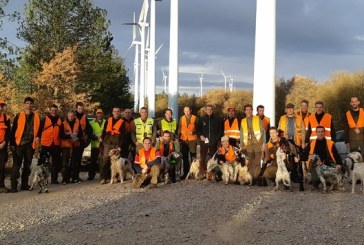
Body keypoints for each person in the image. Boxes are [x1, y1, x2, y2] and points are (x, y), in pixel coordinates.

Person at [9, 97, 41, 192]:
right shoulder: (19, 116)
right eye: (27, 103)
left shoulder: (36, 117)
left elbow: (39, 129)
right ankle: (13, 186)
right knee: (16, 165)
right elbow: (13, 130)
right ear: (24, 104)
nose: (29, 105)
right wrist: (12, 144)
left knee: (27, 165)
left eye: (31, 103)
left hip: (30, 145)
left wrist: (38, 137)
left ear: (32, 105)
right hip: (19, 144)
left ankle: (24, 184)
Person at [240, 104, 266, 185]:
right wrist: (241, 145)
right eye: (247, 109)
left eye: (250, 109)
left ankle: (257, 178)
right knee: (250, 162)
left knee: (257, 162)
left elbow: (263, 131)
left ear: (252, 110)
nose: (249, 111)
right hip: (248, 144)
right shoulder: (243, 121)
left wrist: (264, 143)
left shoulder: (257, 118)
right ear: (245, 111)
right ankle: (252, 179)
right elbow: (241, 134)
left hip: (257, 143)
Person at [99, 106, 126, 184]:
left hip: (116, 143)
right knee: (105, 159)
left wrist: (119, 146)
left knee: (116, 161)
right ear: (112, 112)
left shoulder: (122, 122)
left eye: (118, 111)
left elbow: (122, 135)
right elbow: (104, 130)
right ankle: (103, 178)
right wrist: (101, 137)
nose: (116, 113)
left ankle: (115, 177)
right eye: (115, 111)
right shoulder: (108, 120)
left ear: (120, 112)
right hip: (107, 142)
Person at [197, 105, 223, 179]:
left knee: (214, 159)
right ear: (205, 110)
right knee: (202, 158)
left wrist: (217, 138)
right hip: (203, 142)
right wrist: (201, 136)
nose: (209, 110)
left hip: (213, 142)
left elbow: (220, 129)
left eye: (210, 109)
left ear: (212, 110)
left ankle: (214, 174)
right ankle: (202, 173)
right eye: (208, 109)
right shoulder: (201, 119)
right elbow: (198, 129)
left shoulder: (217, 119)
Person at [39, 104, 62, 184]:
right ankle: (42, 180)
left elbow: (62, 133)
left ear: (57, 111)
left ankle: (54, 180)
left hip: (56, 144)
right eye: (52, 110)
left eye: (55, 110)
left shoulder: (60, 120)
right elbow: (38, 131)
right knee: (43, 163)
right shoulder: (44, 119)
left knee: (55, 163)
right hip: (45, 144)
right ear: (50, 111)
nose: (54, 112)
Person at [60, 110, 82, 184]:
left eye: (72, 116)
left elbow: (81, 133)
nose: (71, 117)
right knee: (65, 163)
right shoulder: (63, 123)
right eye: (69, 116)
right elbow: (61, 135)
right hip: (66, 146)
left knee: (75, 163)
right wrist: (70, 136)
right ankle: (65, 179)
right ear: (67, 116)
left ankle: (75, 178)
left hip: (75, 145)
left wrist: (77, 137)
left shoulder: (78, 123)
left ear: (74, 116)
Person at [177, 106, 198, 180]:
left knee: (193, 157)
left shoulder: (195, 118)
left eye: (188, 111)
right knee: (185, 157)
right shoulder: (181, 118)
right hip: (184, 140)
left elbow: (199, 128)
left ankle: (194, 173)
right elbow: (179, 128)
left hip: (192, 140)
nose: (187, 112)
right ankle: (186, 173)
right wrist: (178, 138)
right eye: (185, 111)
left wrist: (194, 132)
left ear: (191, 110)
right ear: (183, 111)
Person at [74, 102, 93, 182]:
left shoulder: (84, 117)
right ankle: (70, 177)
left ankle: (76, 176)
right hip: (73, 141)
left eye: (82, 109)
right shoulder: (72, 116)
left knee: (78, 159)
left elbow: (89, 129)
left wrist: (89, 137)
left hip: (81, 141)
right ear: (76, 109)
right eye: (79, 108)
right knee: (72, 160)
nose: (80, 110)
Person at [88, 108, 106, 180]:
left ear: (103, 114)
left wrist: (103, 139)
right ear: (96, 114)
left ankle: (103, 176)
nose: (99, 115)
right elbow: (89, 134)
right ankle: (91, 176)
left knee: (103, 162)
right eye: (98, 113)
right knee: (93, 161)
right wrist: (97, 138)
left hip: (104, 145)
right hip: (95, 145)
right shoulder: (91, 123)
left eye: (100, 113)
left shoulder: (106, 122)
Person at [0, 98, 11, 193]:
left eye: (2, 106)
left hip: (2, 146)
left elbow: (8, 133)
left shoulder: (6, 118)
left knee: (2, 167)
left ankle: (2, 186)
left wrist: (4, 142)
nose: (0, 107)